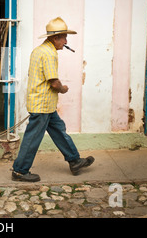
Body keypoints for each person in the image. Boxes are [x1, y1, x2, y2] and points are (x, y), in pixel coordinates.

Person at [12, 17, 95, 182]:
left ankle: (74, 160)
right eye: (64, 37)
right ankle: (20, 171)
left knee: (58, 130)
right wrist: (63, 89)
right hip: (42, 104)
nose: (66, 41)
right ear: (55, 38)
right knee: (33, 138)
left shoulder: (39, 50)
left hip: (45, 104)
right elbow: (54, 82)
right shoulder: (50, 54)